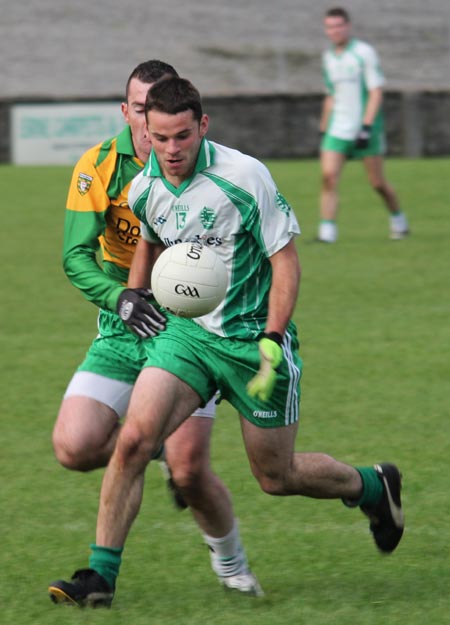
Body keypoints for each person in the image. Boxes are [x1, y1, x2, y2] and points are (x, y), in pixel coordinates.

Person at [49, 76, 404, 608]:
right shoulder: (144, 185)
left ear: (203, 127)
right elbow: (146, 238)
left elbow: (285, 259)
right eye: (162, 138)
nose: (171, 150)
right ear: (145, 128)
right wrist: (134, 296)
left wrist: (273, 335)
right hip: (186, 338)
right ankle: (100, 577)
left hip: (250, 341)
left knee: (276, 477)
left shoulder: (244, 176)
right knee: (134, 442)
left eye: (183, 137)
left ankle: (373, 487)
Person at [49, 61, 262, 603]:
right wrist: (119, 296)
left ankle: (232, 563)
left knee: (192, 473)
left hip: (192, 327)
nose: (150, 125)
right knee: (73, 447)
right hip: (123, 320)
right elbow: (75, 257)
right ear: (127, 113)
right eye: (141, 111)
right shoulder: (97, 166)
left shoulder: (210, 167)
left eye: (159, 113)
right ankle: (153, 449)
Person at [317, 6, 409, 243]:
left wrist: (367, 127)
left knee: (377, 183)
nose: (334, 31)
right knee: (328, 177)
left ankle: (398, 220)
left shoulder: (363, 52)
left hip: (364, 129)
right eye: (330, 26)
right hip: (338, 130)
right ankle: (327, 233)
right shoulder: (328, 57)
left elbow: (376, 91)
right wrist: (324, 126)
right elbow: (331, 94)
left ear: (347, 26)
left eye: (338, 25)